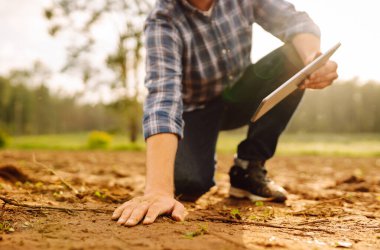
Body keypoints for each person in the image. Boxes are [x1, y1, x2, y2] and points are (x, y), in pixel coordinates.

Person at [112, 0, 338, 227]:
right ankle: (182, 173)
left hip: (242, 94)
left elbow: (294, 20)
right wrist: (158, 190)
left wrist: (312, 60)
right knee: (188, 183)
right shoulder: (163, 21)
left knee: (296, 59)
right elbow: (163, 97)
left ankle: (248, 168)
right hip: (195, 111)